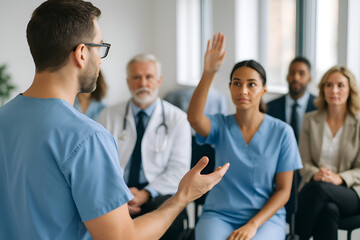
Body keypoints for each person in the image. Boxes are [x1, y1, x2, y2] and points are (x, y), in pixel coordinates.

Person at [0, 1, 229, 240]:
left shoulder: (3, 119)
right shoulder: (87, 137)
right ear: (81, 53)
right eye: (99, 47)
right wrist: (183, 196)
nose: (100, 59)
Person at [188, 33, 302, 240]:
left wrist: (252, 225)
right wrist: (209, 72)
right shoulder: (221, 126)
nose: (243, 90)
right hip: (219, 214)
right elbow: (195, 118)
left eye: (251, 84)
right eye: (237, 83)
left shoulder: (282, 132)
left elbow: (284, 191)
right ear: (230, 87)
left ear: (264, 90)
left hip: (265, 218)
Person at [97, 53, 191, 239]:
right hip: (117, 191)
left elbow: (178, 170)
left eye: (149, 77)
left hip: (158, 193)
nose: (143, 83)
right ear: (128, 81)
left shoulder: (178, 119)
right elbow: (100, 164)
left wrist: (146, 193)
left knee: (171, 217)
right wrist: (121, 195)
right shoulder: (108, 115)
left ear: (159, 81)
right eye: (136, 77)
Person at [295, 66, 360, 240]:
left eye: (340, 85)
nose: (334, 90)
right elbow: (303, 160)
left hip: (350, 192)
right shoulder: (310, 120)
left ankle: (296, 236)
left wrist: (339, 178)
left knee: (318, 190)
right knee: (328, 211)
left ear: (350, 90)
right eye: (329, 85)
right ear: (323, 89)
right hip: (318, 187)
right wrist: (316, 173)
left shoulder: (359, 122)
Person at [267, 56, 317, 141]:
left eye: (301, 73)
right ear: (287, 77)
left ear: (309, 78)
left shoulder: (319, 106)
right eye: (292, 73)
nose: (296, 78)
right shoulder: (270, 107)